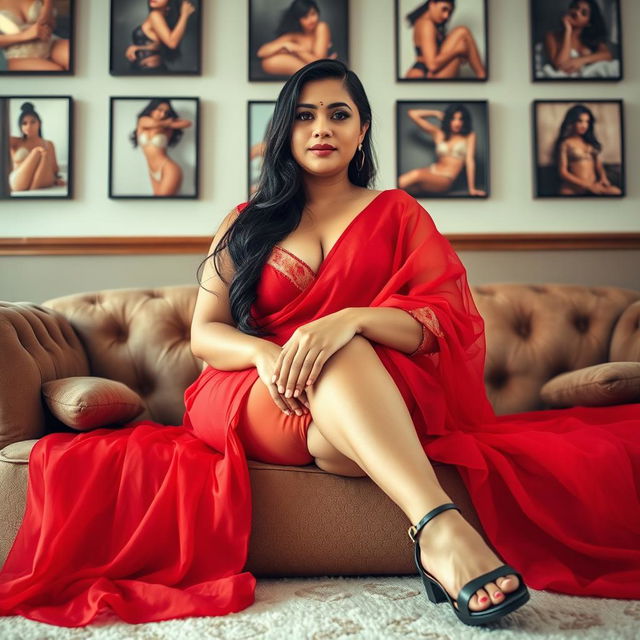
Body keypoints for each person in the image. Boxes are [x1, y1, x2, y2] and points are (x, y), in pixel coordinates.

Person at [1, 59, 639, 628]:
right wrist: (262, 352)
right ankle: (441, 530)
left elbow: (439, 322)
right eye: (304, 115)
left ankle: (391, 486)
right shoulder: (248, 220)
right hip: (258, 389)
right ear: (285, 130)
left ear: (362, 130)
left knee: (341, 425)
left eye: (340, 113)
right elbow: (206, 333)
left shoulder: (398, 212)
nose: (321, 127)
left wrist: (350, 319)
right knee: (335, 368)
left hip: (368, 387)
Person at [398, 104, 486, 196]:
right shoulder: (439, 133)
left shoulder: (469, 136)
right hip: (431, 171)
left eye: (460, 119)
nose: (457, 123)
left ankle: (384, 194)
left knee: (416, 174)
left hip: (446, 179)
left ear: (464, 121)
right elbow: (412, 114)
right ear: (448, 120)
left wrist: (471, 189)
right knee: (407, 190)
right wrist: (435, 113)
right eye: (453, 119)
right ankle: (384, 199)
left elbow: (470, 160)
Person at [403, 0, 486, 79]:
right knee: (463, 31)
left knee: (462, 34)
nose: (446, 16)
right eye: (444, 9)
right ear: (432, 4)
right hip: (425, 74)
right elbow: (432, 65)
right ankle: (483, 78)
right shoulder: (426, 24)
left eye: (449, 13)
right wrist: (457, 50)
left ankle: (483, 77)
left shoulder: (428, 24)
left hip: (428, 73)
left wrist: (462, 53)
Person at [552, 104, 622, 196]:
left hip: (594, 185)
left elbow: (598, 164)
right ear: (571, 122)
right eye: (580, 121)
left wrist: (603, 178)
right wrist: (587, 185)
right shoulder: (565, 143)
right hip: (573, 187)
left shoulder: (590, 142)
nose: (584, 125)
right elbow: (563, 172)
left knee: (617, 192)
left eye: (587, 122)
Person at [256, 0, 338, 77]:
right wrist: (285, 45)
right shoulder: (293, 35)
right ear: (298, 19)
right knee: (267, 62)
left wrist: (296, 50)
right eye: (305, 17)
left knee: (269, 62)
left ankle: (315, 72)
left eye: (313, 14)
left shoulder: (321, 27)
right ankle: (314, 72)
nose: (311, 20)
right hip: (313, 68)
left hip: (318, 66)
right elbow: (261, 52)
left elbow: (318, 61)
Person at [540, 0, 619, 79]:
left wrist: (581, 60)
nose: (577, 13)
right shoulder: (551, 36)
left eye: (583, 13)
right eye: (575, 8)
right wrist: (568, 31)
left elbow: (608, 55)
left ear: (589, 23)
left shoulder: (592, 38)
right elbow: (560, 66)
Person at [130, 98, 192, 196]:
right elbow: (150, 123)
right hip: (152, 170)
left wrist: (168, 124)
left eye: (166, 112)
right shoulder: (142, 122)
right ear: (152, 109)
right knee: (156, 205)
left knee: (165, 203)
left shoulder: (167, 129)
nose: (162, 114)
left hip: (168, 168)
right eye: (160, 110)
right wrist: (168, 123)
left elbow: (187, 123)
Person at [8, 101, 66, 192]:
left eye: (33, 122)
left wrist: (57, 179)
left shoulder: (49, 144)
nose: (29, 126)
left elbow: (54, 169)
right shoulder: (16, 141)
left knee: (42, 153)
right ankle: (32, 189)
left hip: (41, 180)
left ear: (39, 123)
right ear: (20, 127)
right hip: (19, 180)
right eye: (24, 123)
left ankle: (32, 190)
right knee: (37, 151)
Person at [124, 0, 196, 72]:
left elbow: (172, 43)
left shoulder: (155, 15)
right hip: (148, 70)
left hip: (150, 71)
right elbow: (159, 45)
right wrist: (138, 48)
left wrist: (184, 15)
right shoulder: (158, 17)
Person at [0, 0, 69, 71]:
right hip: (18, 55)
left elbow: (52, 25)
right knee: (55, 71)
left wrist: (48, 7)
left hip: (49, 43)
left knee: (75, 57)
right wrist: (25, 36)